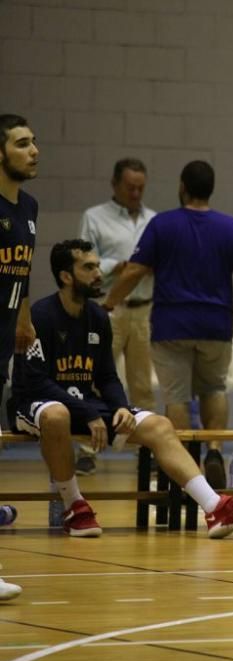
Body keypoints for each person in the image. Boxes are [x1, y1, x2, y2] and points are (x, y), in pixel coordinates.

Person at [11, 240, 233, 538]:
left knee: (159, 425)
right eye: (89, 267)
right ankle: (74, 507)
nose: (98, 273)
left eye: (98, 266)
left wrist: (120, 405)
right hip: (35, 402)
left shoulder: (98, 317)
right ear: (66, 276)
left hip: (85, 407)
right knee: (56, 415)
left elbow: (107, 375)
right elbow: (35, 380)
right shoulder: (39, 317)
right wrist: (88, 412)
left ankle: (215, 507)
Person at [103, 161, 233, 489]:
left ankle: (186, 459)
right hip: (216, 323)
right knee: (214, 389)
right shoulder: (232, 227)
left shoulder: (163, 224)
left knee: (176, 395)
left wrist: (108, 302)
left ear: (182, 186)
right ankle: (214, 449)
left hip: (172, 325)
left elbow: (134, 271)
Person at [76, 157, 156, 476]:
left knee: (142, 384)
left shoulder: (154, 220)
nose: (136, 193)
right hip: (107, 308)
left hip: (144, 307)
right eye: (129, 187)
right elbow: (84, 258)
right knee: (95, 379)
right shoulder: (94, 217)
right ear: (114, 184)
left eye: (140, 188)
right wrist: (116, 266)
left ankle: (144, 451)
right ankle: (87, 449)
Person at [0, 113, 40, 602]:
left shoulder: (28, 206)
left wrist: (24, 321)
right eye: (22, 143)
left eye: (34, 143)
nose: (34, 151)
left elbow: (22, 273)